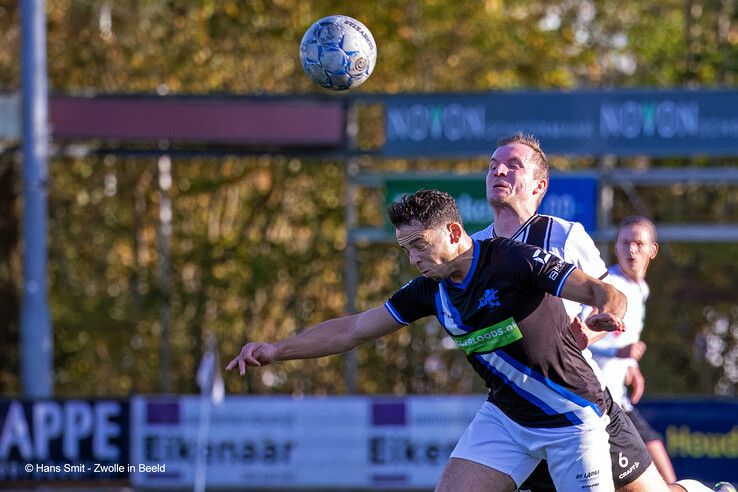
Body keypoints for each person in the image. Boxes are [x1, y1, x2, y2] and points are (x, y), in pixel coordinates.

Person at [228, 189, 673, 491]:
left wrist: (607, 313)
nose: (413, 258)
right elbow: (352, 329)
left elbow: (603, 290)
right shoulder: (430, 288)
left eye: (419, 244)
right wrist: (276, 350)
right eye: (405, 249)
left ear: (455, 232)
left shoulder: (512, 260)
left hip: (572, 418)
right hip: (506, 420)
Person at [464, 132, 725, 492]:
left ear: (539, 186)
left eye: (513, 165)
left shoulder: (564, 236)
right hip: (514, 410)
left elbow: (613, 296)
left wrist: (592, 331)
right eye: (493, 166)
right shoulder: (474, 249)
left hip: (579, 399)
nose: (499, 172)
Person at [588, 216, 676, 483]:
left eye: (639, 243)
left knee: (663, 473)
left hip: (618, 399)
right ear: (616, 247)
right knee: (658, 475)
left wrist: (632, 368)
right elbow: (579, 339)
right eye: (625, 243)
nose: (631, 250)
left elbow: (623, 342)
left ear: (653, 250)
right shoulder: (607, 288)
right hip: (596, 400)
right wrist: (619, 354)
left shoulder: (641, 290)